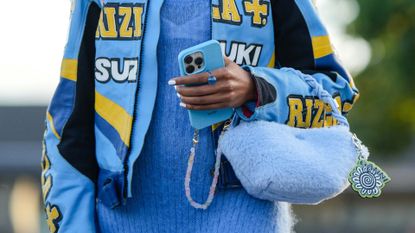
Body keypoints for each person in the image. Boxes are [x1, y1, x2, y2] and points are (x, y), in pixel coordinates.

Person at [41, 0, 359, 232]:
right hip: (118, 221)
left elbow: (337, 93)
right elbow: (68, 125)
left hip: (243, 218)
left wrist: (255, 87)